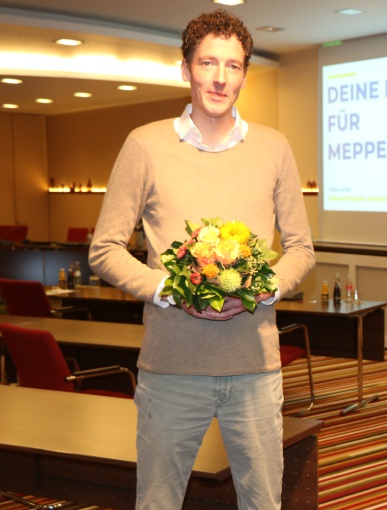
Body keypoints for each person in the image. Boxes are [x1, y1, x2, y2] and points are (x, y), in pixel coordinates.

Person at [89, 9, 315, 509]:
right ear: (185, 68)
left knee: (263, 503)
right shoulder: (144, 145)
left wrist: (264, 288)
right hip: (170, 368)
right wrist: (167, 291)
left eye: (232, 66)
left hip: (255, 369)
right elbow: (103, 248)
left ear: (244, 74)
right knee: (158, 502)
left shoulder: (274, 148)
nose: (219, 78)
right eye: (208, 63)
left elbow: (300, 247)